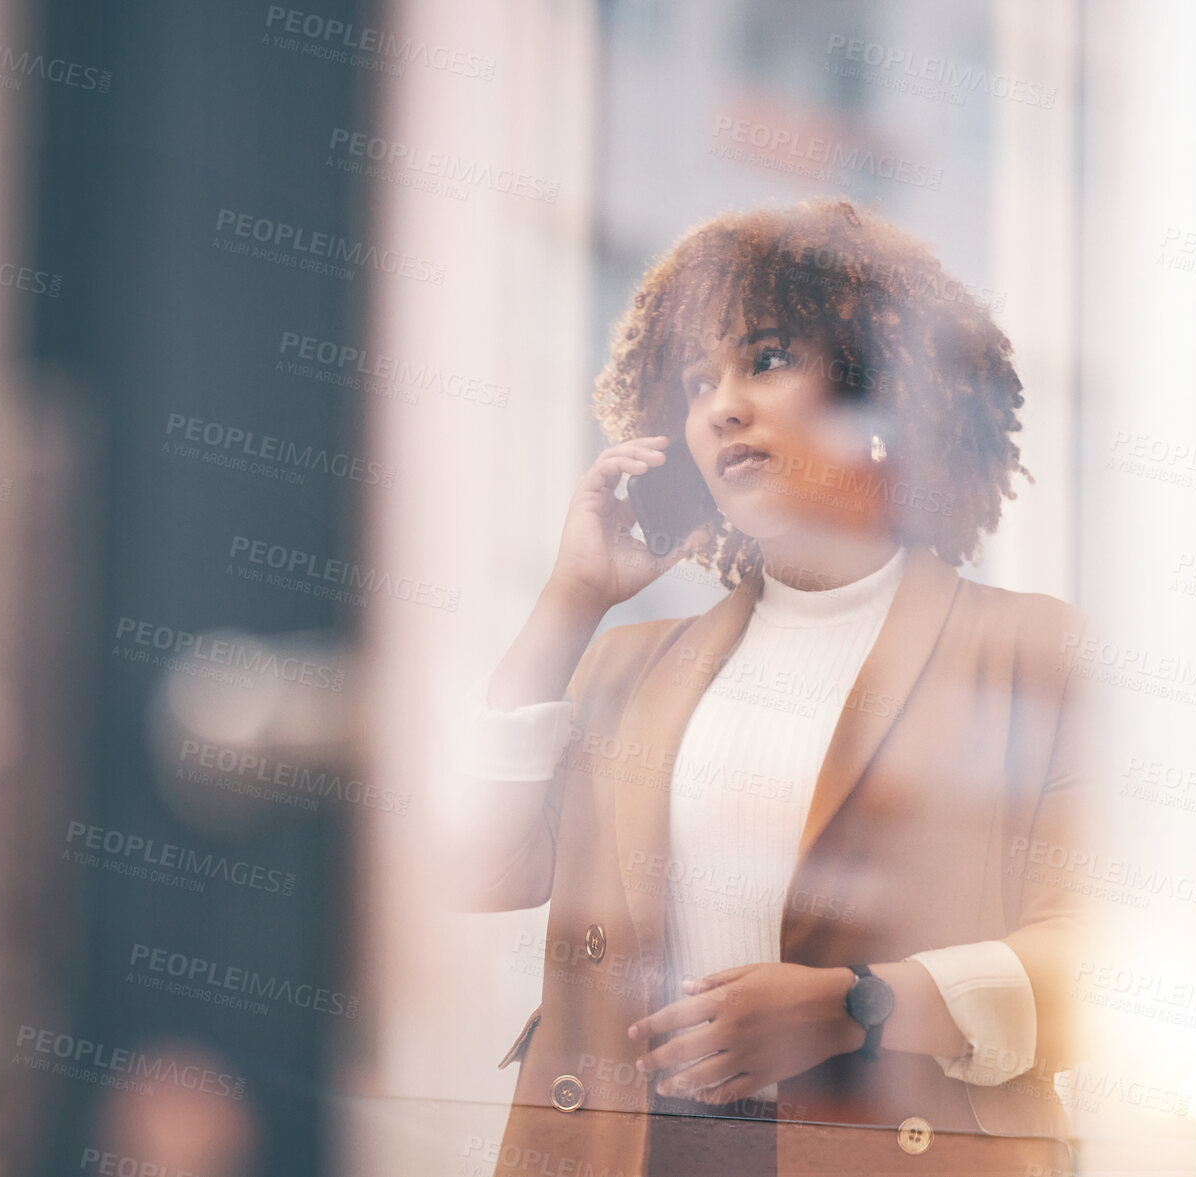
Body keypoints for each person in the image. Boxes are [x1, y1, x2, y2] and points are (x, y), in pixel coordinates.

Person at [443, 197, 1104, 1177]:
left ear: (880, 394)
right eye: (697, 382)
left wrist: (857, 1006)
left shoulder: (1031, 649)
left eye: (763, 360)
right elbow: (472, 866)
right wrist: (571, 599)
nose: (721, 407)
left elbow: (1105, 959)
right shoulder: (629, 661)